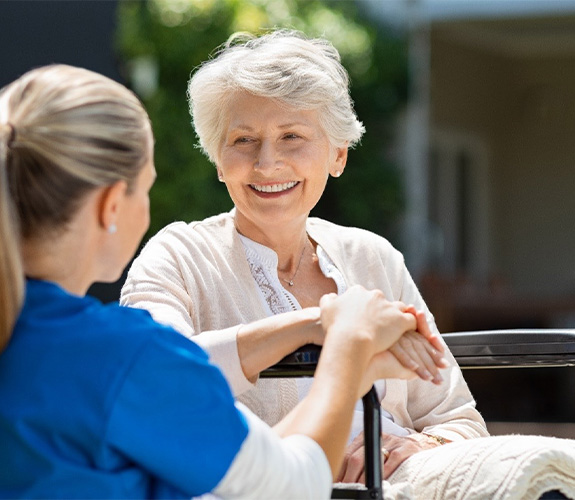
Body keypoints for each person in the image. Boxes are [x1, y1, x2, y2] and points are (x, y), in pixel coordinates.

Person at [0, 64, 442, 499]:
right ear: (112, 205)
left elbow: (253, 481)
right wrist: (349, 346)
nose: (267, 161)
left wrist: (315, 327)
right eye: (148, 187)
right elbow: (296, 485)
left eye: (291, 136)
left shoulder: (45, 341)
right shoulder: (125, 356)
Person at [119, 29, 488, 483]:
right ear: (218, 160)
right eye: (243, 140)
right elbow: (156, 380)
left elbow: (459, 420)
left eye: (291, 136)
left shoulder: (373, 258)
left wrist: (417, 445)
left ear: (338, 155)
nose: (267, 163)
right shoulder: (177, 256)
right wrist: (322, 325)